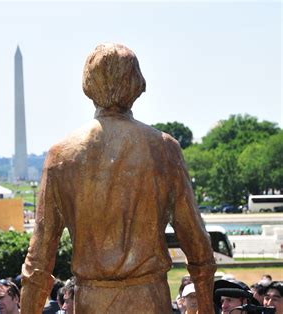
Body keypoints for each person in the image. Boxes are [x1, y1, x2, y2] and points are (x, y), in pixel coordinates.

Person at [20, 43, 216, 313]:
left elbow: (38, 261)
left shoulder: (62, 155)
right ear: (137, 85)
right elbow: (197, 244)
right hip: (149, 299)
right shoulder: (163, 148)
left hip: (92, 300)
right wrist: (206, 307)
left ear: (88, 85)